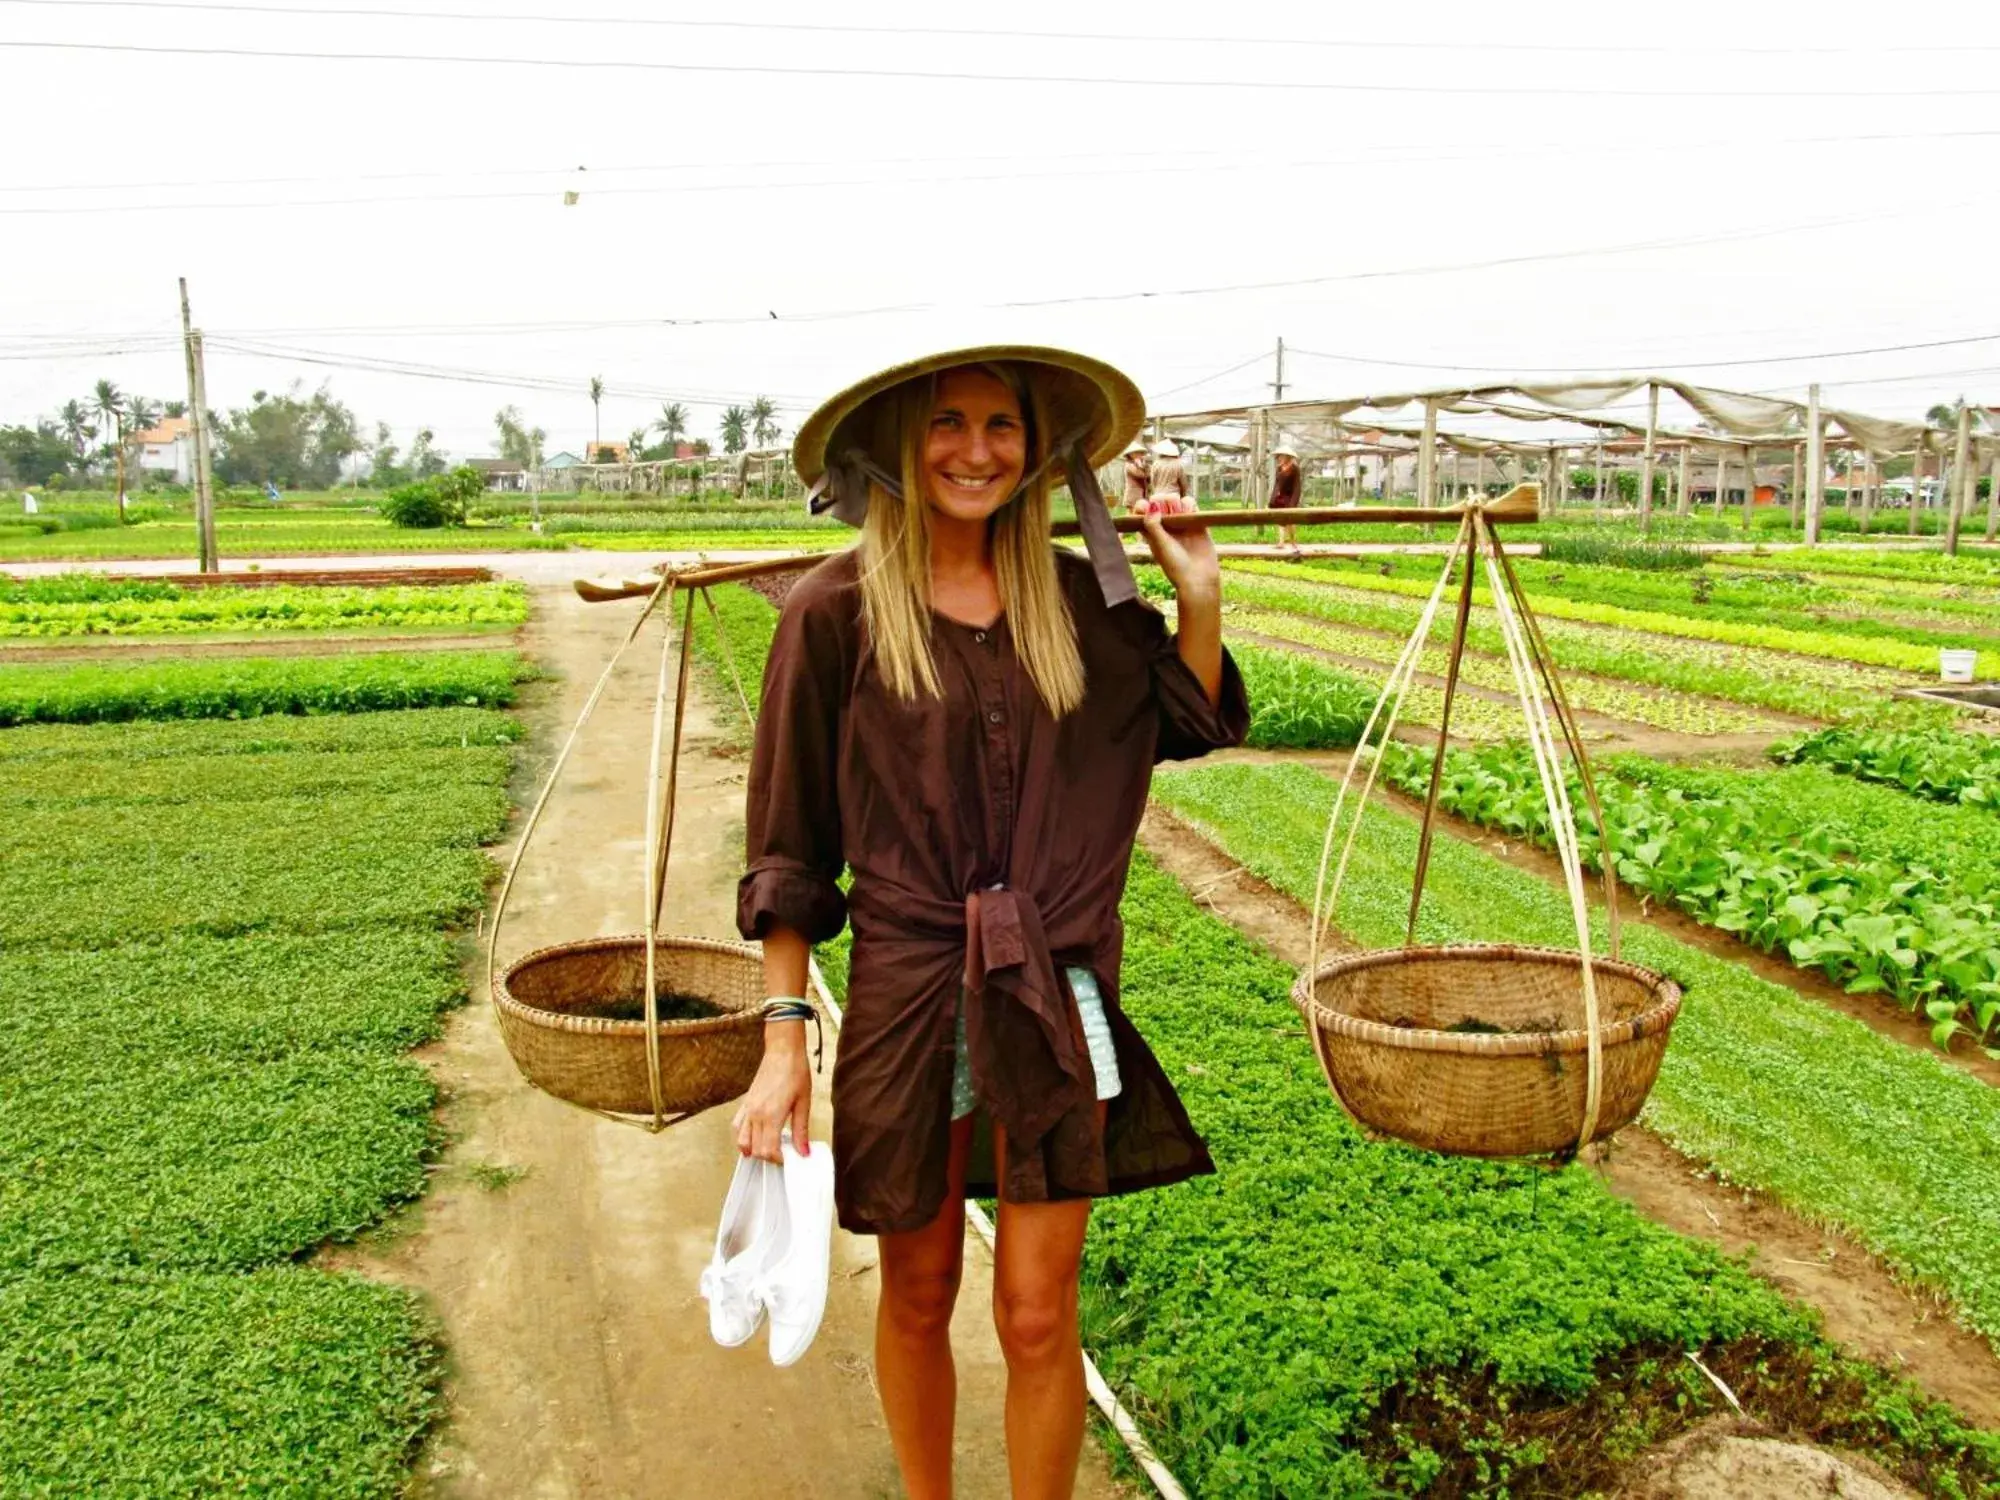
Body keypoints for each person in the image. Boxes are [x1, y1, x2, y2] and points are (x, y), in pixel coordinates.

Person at [734, 344, 1247, 1500]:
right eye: (946, 423)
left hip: (1051, 986)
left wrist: (1196, 599)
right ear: (895, 445)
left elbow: (1177, 722)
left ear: (1037, 449)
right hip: (910, 991)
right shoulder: (833, 614)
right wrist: (781, 1040)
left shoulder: (1075, 600)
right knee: (917, 1292)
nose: (976, 451)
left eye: (1002, 426)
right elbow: (788, 851)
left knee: (1034, 1307)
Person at [1270, 440, 1303, 546]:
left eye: (1282, 456)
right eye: (1279, 456)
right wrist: (1273, 498)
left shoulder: (1294, 469)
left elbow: (1297, 486)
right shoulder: (1279, 468)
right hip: (1280, 497)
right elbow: (1276, 484)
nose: (1279, 458)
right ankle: (1281, 542)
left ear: (1287, 457)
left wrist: (1294, 501)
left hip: (1289, 497)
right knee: (1280, 520)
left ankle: (1293, 541)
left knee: (1290, 520)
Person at [1146, 439, 1191, 514]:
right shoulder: (1178, 464)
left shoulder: (1156, 464)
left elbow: (1153, 482)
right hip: (1173, 496)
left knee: (1158, 520)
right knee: (1175, 522)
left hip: (1157, 496)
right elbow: (1183, 484)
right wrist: (1183, 495)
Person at [1120, 436, 1150, 515]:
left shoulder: (1143, 465)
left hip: (1142, 495)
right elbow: (1140, 475)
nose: (1139, 455)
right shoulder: (1129, 465)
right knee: (1132, 514)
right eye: (1136, 453)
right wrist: (1140, 466)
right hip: (1133, 496)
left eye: (1140, 453)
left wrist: (1144, 466)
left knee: (1140, 515)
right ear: (1130, 455)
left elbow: (1149, 475)